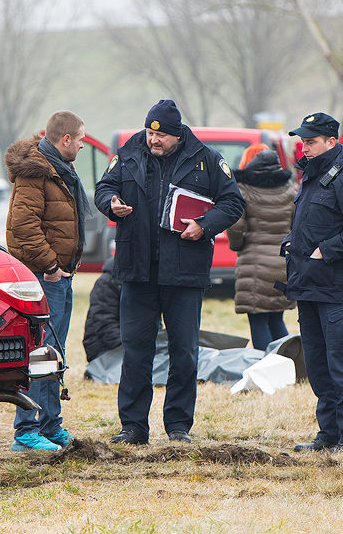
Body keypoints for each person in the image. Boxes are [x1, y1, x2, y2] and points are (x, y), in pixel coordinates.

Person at [94, 99, 245, 445]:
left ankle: (178, 427)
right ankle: (133, 427)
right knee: (135, 352)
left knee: (184, 352)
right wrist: (111, 204)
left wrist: (204, 226)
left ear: (177, 135)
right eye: (149, 132)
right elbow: (104, 188)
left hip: (184, 274)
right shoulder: (129, 151)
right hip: (137, 272)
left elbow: (233, 202)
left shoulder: (206, 159)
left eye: (159, 135)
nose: (152, 139)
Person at [281, 113, 343, 455]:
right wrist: (293, 242)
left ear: (331, 142)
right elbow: (314, 221)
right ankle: (330, 435)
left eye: (310, 142)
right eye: (302, 142)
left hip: (336, 289)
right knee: (319, 367)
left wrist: (326, 251)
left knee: (342, 365)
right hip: (308, 284)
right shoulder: (313, 173)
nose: (304, 148)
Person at [4, 110, 89, 452]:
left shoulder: (58, 170)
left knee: (54, 353)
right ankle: (26, 432)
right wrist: (51, 266)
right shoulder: (35, 175)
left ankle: (51, 427)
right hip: (45, 277)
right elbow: (22, 229)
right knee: (39, 355)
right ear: (65, 140)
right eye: (81, 139)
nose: (83, 146)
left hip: (59, 277)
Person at [226, 143, 296, 350]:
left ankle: (264, 370)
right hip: (283, 264)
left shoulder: (243, 189)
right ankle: (289, 364)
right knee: (276, 318)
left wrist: (238, 245)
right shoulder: (288, 189)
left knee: (257, 321)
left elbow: (235, 226)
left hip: (255, 263)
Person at [82, 256, 123, 364]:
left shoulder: (144, 282)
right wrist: (129, 348)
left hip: (126, 344)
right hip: (104, 348)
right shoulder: (106, 282)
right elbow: (104, 322)